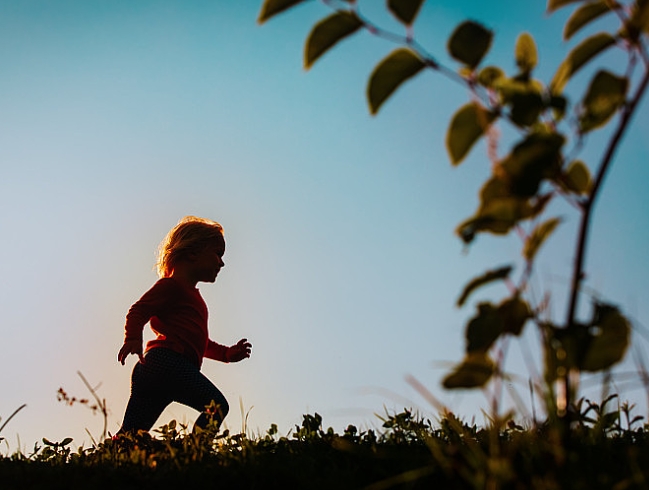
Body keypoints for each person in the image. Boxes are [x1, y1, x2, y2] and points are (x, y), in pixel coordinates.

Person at [116, 216, 251, 435]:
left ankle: (114, 454)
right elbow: (138, 310)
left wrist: (226, 354)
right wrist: (132, 338)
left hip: (154, 368)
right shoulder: (172, 287)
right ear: (193, 252)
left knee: (132, 432)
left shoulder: (188, 295)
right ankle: (192, 453)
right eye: (218, 254)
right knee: (217, 407)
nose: (222, 263)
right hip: (169, 363)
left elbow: (198, 342)